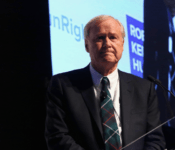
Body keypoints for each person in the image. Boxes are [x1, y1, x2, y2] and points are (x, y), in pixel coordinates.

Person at [45, 15, 165, 150]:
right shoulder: (63, 85)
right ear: (86, 45)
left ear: (122, 44)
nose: (107, 43)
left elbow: (155, 140)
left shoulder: (144, 89)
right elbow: (57, 137)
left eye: (113, 37)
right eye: (100, 38)